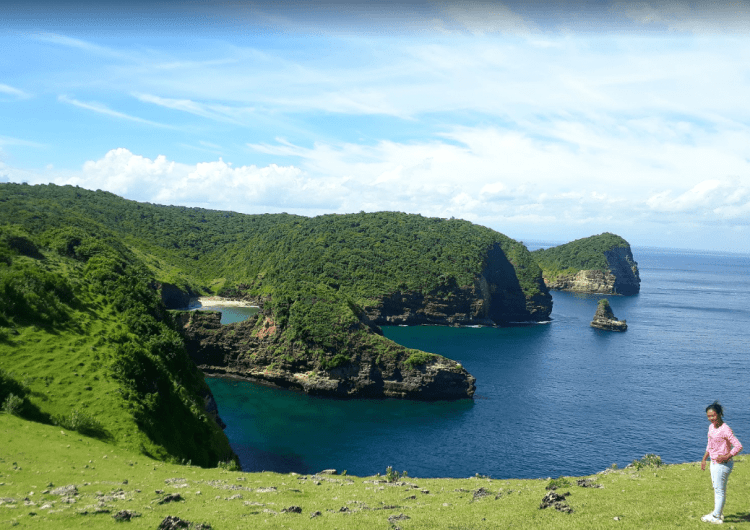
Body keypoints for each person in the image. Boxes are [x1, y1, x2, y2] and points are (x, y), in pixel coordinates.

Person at [701, 401, 742, 524]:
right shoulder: (711, 427)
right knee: (717, 489)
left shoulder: (725, 430)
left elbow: (738, 446)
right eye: (708, 416)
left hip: (723, 465)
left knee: (719, 491)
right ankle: (716, 513)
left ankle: (717, 517)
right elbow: (710, 444)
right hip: (713, 462)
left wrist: (726, 456)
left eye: (713, 416)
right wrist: (704, 458)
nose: (711, 419)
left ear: (719, 414)